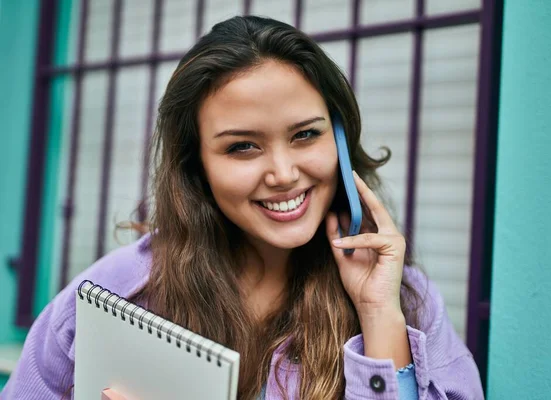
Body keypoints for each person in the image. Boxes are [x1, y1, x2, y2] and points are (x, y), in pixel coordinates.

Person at [1, 16, 483, 400]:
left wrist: (379, 317)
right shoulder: (113, 298)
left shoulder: (407, 302)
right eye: (242, 147)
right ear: (197, 166)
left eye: (305, 135)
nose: (282, 173)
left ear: (339, 137)